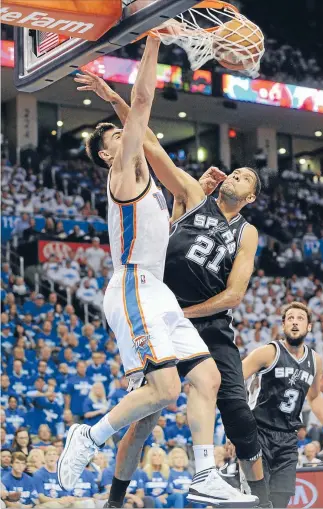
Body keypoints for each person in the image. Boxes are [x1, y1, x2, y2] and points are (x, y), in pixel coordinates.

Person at [58, 32, 256, 507]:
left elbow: (142, 131)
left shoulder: (150, 182)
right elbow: (143, 104)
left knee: (206, 378)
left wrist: (110, 96)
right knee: (164, 392)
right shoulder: (122, 171)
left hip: (159, 294)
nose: (123, 135)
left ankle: (205, 473)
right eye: (114, 135)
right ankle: (89, 436)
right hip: (132, 286)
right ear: (109, 153)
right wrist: (152, 40)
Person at [243, 302, 323, 508]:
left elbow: (314, 398)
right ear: (283, 325)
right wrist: (236, 425)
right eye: (290, 318)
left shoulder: (315, 360)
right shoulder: (269, 352)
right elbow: (234, 379)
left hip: (288, 439)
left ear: (309, 327)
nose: (295, 322)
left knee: (280, 502)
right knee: (258, 501)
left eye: (300, 318)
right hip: (258, 432)